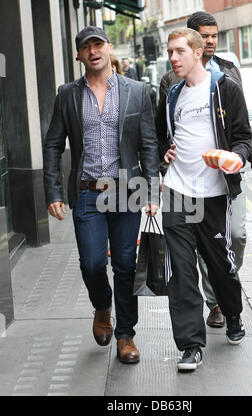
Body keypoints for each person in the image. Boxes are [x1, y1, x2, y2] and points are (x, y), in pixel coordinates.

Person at [43, 26, 159, 365]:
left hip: (127, 192)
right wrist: (52, 190)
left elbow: (148, 143)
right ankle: (101, 305)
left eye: (98, 44)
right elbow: (53, 145)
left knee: (125, 265)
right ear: (79, 56)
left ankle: (126, 335)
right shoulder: (67, 94)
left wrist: (151, 188)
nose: (93, 50)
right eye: (85, 47)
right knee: (93, 263)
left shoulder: (137, 91)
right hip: (88, 193)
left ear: (108, 48)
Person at [156, 11, 252, 328]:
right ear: (192, 40)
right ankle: (212, 308)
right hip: (182, 185)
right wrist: (165, 154)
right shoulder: (171, 84)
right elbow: (161, 132)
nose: (211, 41)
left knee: (235, 238)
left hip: (225, 179)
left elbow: (240, 127)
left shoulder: (228, 74)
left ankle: (224, 289)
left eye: (215, 35)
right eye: (205, 36)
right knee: (186, 258)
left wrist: (251, 159)